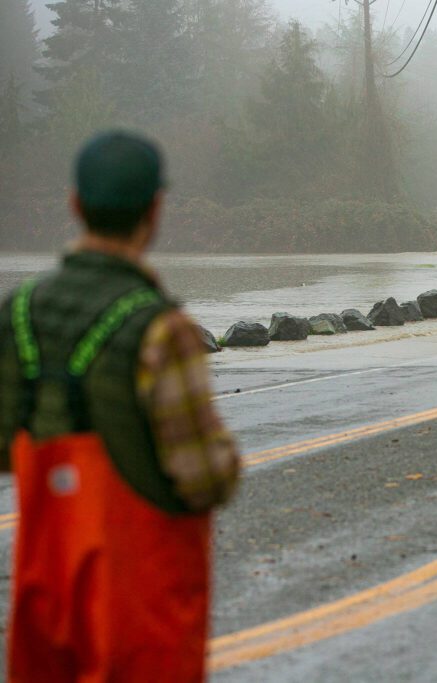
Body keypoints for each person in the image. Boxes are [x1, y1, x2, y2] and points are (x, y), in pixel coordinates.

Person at [0, 131, 240, 681]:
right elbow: (205, 478)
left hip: (45, 603)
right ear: (154, 212)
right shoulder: (162, 329)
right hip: (140, 617)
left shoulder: (16, 314)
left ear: (74, 205)